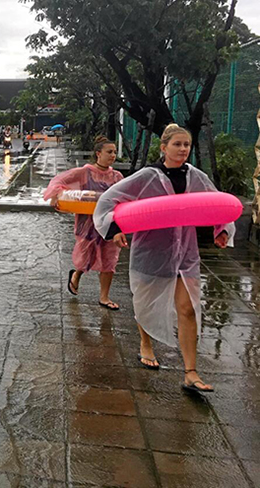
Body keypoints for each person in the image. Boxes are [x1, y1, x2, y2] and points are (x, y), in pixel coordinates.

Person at [94, 124, 235, 393]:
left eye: (187, 146)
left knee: (188, 308)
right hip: (152, 250)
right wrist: (114, 229)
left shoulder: (196, 176)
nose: (183, 150)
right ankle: (145, 343)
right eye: (177, 145)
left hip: (186, 254)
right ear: (164, 147)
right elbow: (108, 201)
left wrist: (222, 230)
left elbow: (216, 203)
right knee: (146, 302)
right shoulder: (147, 176)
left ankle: (190, 373)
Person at [43, 136, 124, 310]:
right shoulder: (84, 172)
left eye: (115, 152)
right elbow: (59, 180)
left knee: (110, 259)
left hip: (110, 223)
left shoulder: (117, 176)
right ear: (98, 154)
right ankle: (76, 274)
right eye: (109, 152)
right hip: (87, 223)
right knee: (87, 256)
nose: (113, 155)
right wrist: (57, 194)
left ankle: (104, 297)